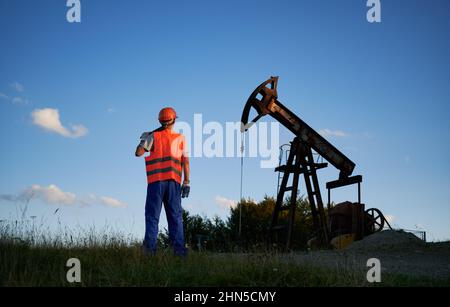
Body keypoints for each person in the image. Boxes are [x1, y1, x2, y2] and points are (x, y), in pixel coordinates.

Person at [135, 107, 190, 256]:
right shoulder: (180, 138)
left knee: (152, 217)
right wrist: (186, 182)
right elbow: (185, 162)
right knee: (176, 218)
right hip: (173, 183)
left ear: (160, 121)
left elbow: (138, 153)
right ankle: (179, 253)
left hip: (155, 183)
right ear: (174, 121)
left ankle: (150, 252)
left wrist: (147, 137)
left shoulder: (153, 136)